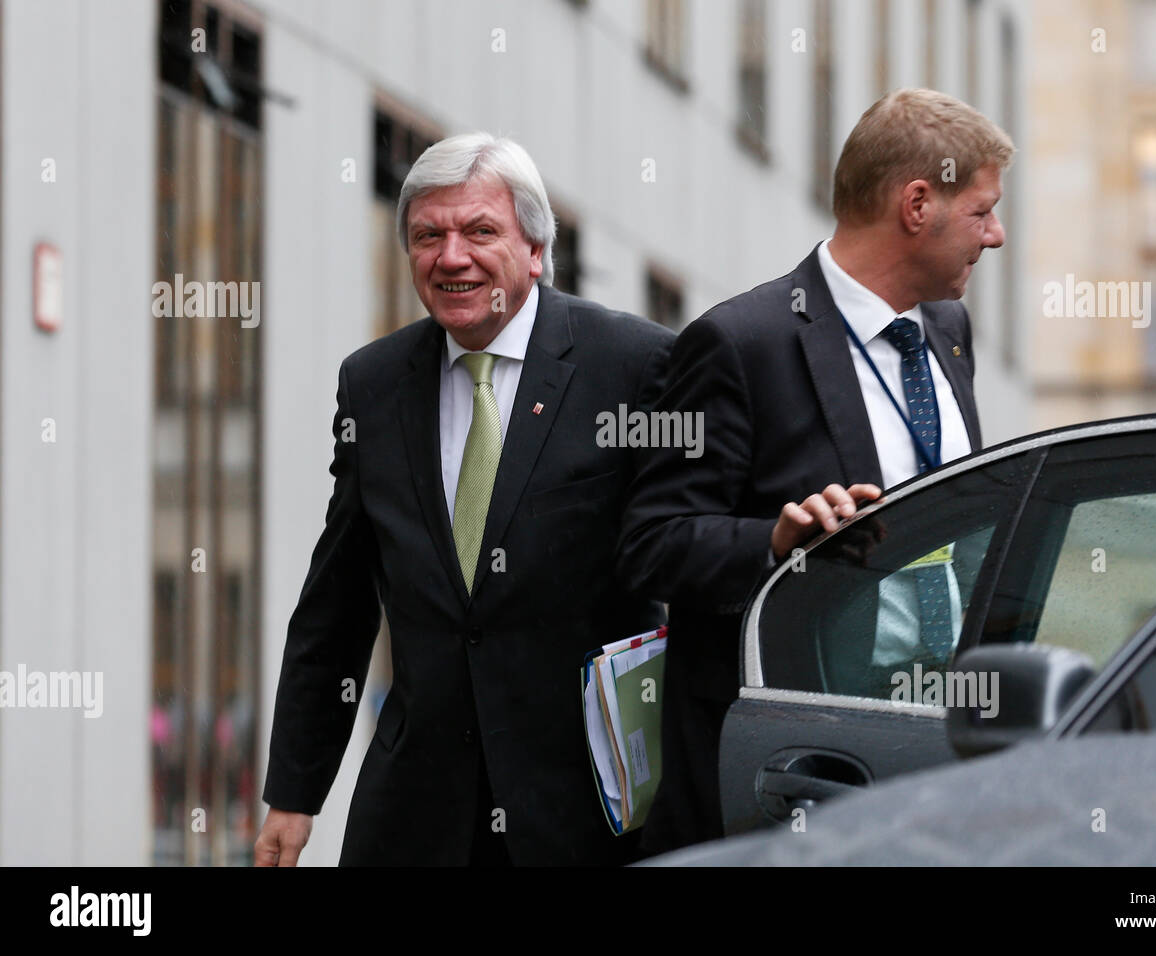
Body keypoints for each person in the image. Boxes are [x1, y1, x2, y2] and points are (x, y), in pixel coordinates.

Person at [255, 133, 674, 866]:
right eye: (428, 235)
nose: (452, 256)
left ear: (536, 251)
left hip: (585, 816)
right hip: (417, 817)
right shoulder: (374, 385)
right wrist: (295, 792)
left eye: (481, 231)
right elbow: (337, 604)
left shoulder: (633, 367)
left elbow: (690, 559)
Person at [618, 88, 1014, 855]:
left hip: (940, 745)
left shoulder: (948, 331)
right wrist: (773, 540)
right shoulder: (739, 344)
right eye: (983, 211)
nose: (995, 236)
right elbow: (651, 543)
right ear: (917, 203)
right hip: (800, 769)